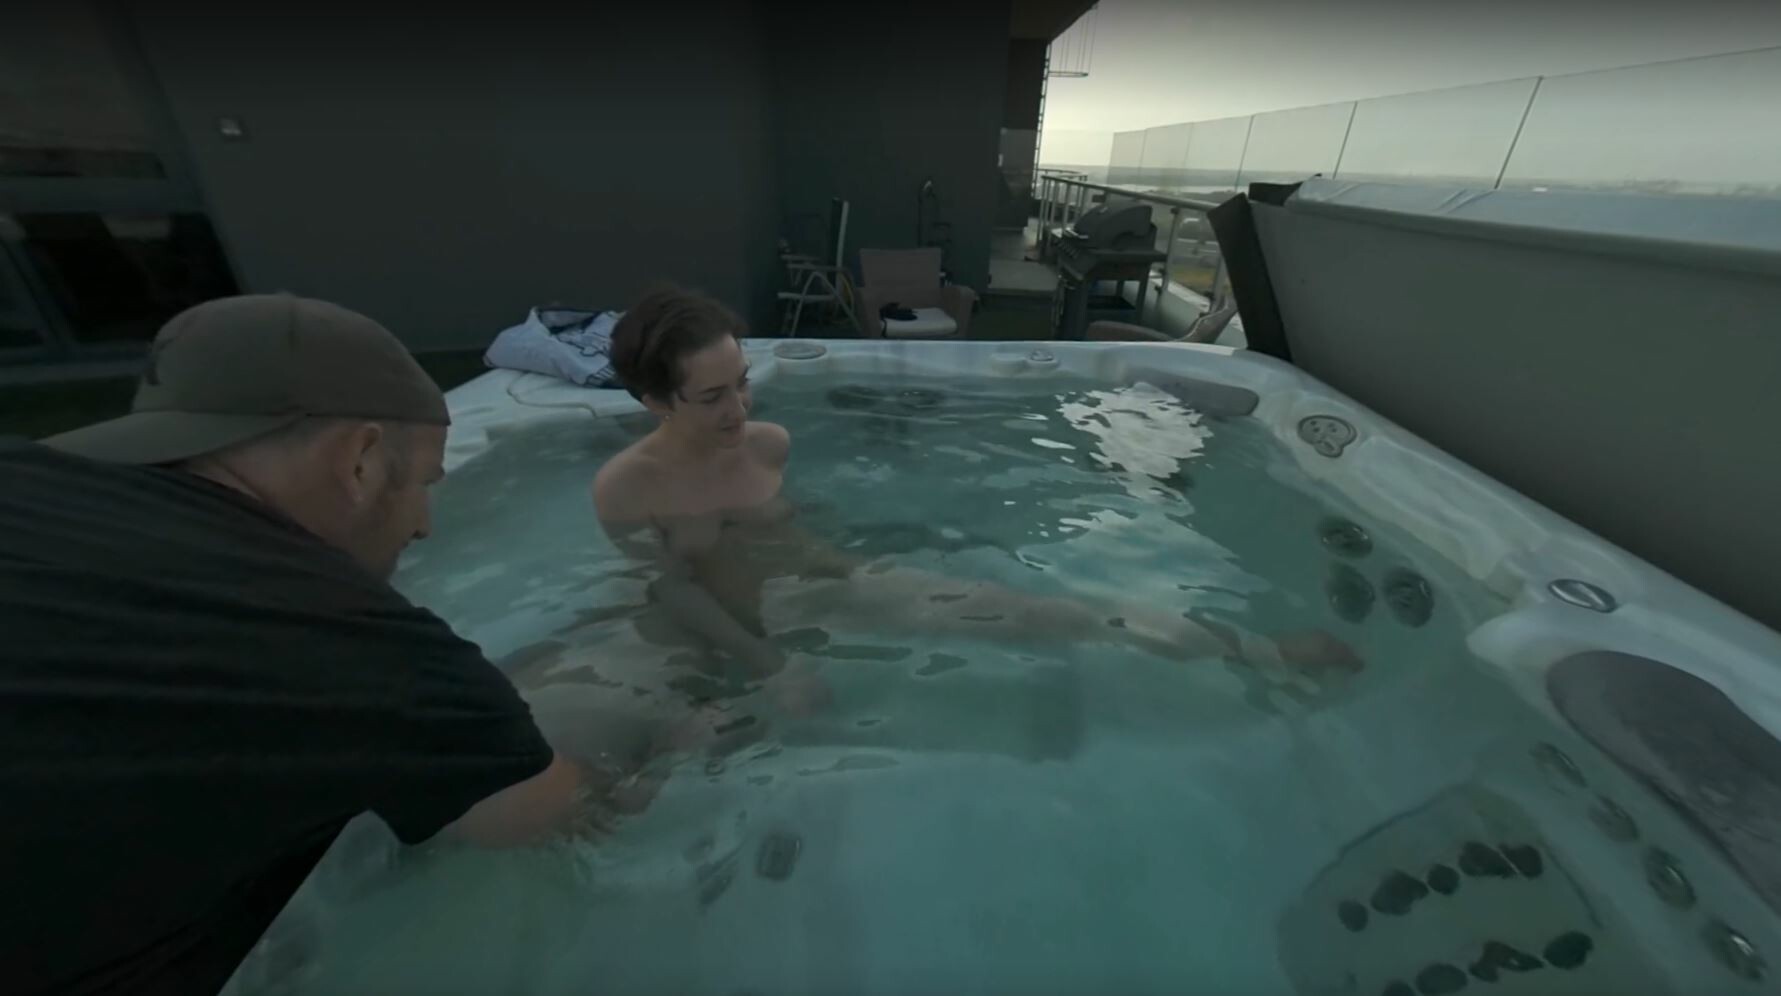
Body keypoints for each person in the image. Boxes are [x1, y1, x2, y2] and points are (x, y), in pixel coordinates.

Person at [0, 295, 591, 996]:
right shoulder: (347, 638)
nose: (425, 525)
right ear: (360, 461)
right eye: (424, 484)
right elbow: (545, 817)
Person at [591, 286, 1360, 697]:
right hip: (729, 640)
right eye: (712, 397)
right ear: (654, 401)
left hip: (829, 593)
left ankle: (1251, 650)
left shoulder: (767, 443)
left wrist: (864, 568)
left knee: (1043, 613)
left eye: (742, 383)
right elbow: (673, 591)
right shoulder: (627, 487)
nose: (739, 410)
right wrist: (769, 666)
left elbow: (790, 533)